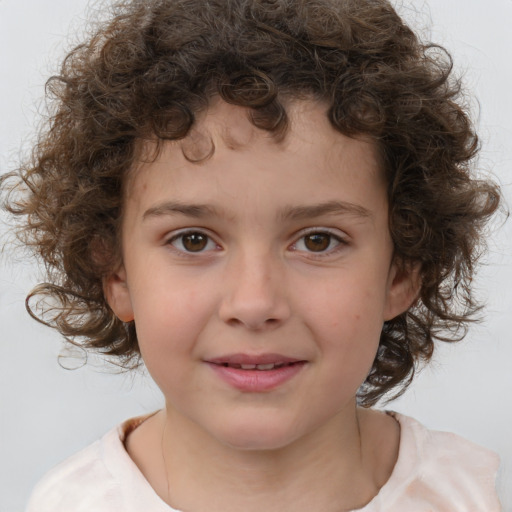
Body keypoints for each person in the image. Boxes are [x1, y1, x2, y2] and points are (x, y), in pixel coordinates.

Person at [3, 0, 502, 510]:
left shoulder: (477, 496)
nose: (255, 302)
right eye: (193, 240)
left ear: (402, 269)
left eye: (318, 240)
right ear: (116, 273)